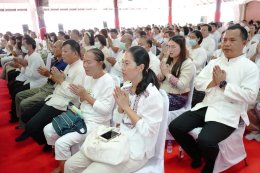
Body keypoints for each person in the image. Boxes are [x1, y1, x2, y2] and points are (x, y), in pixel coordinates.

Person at [169, 24, 259, 173]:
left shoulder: (250, 67)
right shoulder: (214, 62)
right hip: (207, 105)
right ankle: (196, 155)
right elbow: (198, 83)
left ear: (244, 43)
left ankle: (211, 165)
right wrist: (214, 82)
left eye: (232, 40)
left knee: (206, 140)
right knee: (175, 126)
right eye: (224, 40)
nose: (227, 44)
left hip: (229, 111)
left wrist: (224, 84)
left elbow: (250, 96)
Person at [64, 46, 164, 173]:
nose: (122, 67)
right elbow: (116, 119)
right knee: (70, 165)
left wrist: (126, 107)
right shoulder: (127, 86)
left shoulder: (152, 95)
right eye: (122, 62)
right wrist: (121, 108)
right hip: (117, 134)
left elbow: (148, 131)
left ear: (140, 67)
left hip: (136, 148)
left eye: (127, 63)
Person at [44, 48, 115, 173]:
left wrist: (86, 96)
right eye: (84, 62)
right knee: (48, 130)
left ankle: (65, 168)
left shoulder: (108, 81)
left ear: (100, 63)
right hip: (81, 114)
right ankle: (65, 160)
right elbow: (82, 99)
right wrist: (82, 97)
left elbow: (106, 110)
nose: (85, 66)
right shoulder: (88, 77)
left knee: (61, 143)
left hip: (96, 122)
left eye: (89, 62)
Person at [23, 39, 85, 151]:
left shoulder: (80, 69)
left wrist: (60, 80)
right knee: (26, 116)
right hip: (55, 97)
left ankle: (52, 142)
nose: (63, 54)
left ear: (75, 53)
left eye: (65, 51)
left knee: (31, 127)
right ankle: (49, 140)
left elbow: (74, 95)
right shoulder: (69, 65)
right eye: (62, 51)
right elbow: (60, 83)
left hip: (65, 104)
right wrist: (55, 78)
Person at [158, 35, 194, 111]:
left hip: (177, 97)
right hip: (163, 93)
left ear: (182, 48)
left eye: (173, 47)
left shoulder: (187, 63)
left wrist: (167, 74)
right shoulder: (166, 60)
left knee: (154, 105)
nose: (170, 49)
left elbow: (181, 85)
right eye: (168, 46)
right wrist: (161, 75)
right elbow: (161, 80)